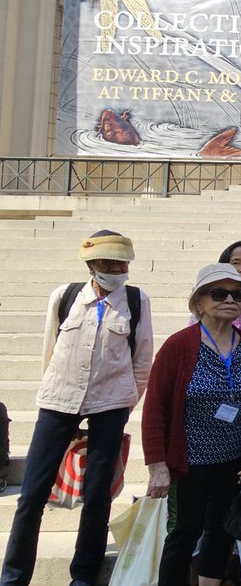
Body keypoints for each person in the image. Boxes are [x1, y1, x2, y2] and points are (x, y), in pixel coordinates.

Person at [2, 231, 153, 586]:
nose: (119, 269)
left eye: (123, 263)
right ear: (93, 265)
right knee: (32, 495)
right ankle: (13, 576)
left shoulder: (135, 300)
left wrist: (125, 400)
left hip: (110, 403)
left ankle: (83, 576)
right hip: (58, 401)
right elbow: (50, 350)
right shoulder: (65, 296)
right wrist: (54, 394)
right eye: (112, 263)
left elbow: (143, 359)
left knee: (98, 495)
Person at [143, 264, 241, 586]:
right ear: (199, 302)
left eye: (238, 293)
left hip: (234, 461)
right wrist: (157, 465)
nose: (229, 299)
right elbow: (155, 407)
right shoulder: (178, 346)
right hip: (190, 462)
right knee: (184, 533)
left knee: (221, 529)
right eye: (218, 292)